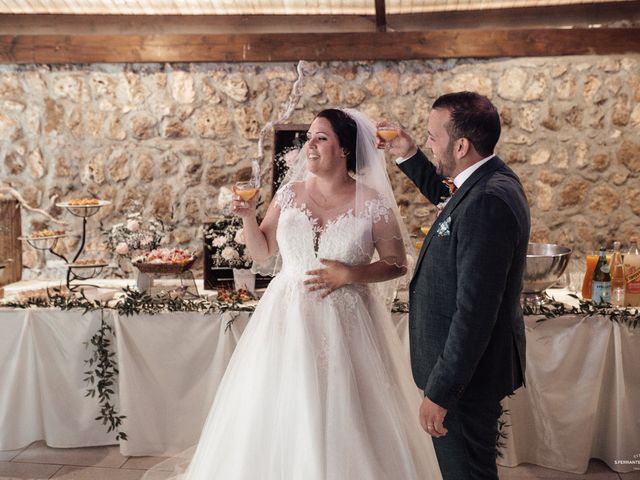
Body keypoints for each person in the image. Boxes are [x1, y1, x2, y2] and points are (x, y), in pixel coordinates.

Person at [148, 108, 442, 479]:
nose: (310, 147)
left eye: (322, 138)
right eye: (309, 138)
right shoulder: (289, 194)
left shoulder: (371, 202)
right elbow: (262, 252)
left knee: (345, 409)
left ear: (345, 150)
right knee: (278, 406)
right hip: (285, 316)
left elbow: (397, 264)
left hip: (346, 323)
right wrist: (247, 217)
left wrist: (351, 273)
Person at [378, 91, 530, 480]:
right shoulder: (486, 180)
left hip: (464, 380)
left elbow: (475, 312)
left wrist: (442, 392)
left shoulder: (488, 201)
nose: (428, 142)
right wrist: (409, 152)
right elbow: (448, 198)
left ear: (461, 145)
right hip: (469, 374)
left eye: (431, 136)